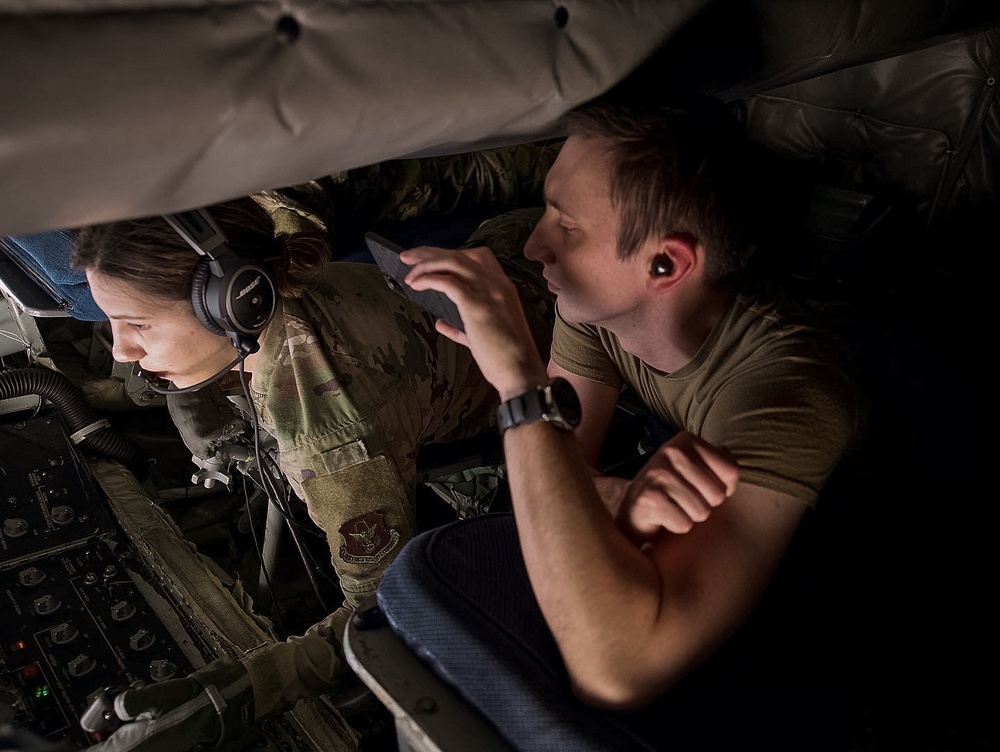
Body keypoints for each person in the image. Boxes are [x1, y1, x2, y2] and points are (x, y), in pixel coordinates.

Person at [400, 97, 861, 712]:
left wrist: (520, 383)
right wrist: (618, 503)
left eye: (567, 226)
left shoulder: (787, 398)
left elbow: (618, 670)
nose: (536, 245)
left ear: (666, 263)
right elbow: (539, 496)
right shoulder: (597, 309)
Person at [71, 190, 554, 750]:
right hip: (515, 241)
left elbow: (385, 613)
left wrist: (241, 689)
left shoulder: (330, 440)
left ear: (234, 305)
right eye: (112, 323)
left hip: (552, 322)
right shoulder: (270, 264)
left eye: (138, 326)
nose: (121, 350)